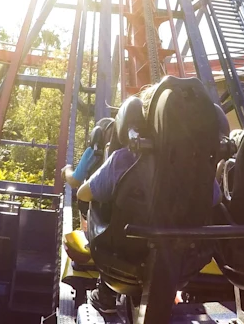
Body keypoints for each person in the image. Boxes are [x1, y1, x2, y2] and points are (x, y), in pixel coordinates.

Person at [76, 86, 222, 314]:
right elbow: (215, 199)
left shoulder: (123, 159)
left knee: (98, 202)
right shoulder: (199, 169)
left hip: (123, 260)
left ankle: (105, 296)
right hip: (181, 264)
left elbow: (82, 194)